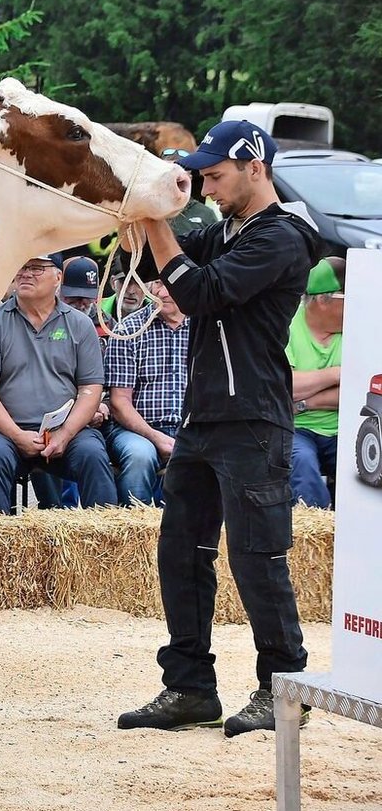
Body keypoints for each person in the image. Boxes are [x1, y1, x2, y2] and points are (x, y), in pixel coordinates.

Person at [119, 119, 323, 737]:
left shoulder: (284, 236)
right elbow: (166, 271)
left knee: (259, 558)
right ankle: (188, 687)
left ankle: (283, 689)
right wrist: (147, 212)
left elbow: (199, 292)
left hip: (254, 417)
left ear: (255, 167)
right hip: (204, 415)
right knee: (181, 552)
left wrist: (155, 220)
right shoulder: (230, 229)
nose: (206, 186)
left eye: (215, 175)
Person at [0, 252, 117, 514]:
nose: (25, 273)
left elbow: (91, 389)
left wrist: (66, 433)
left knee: (93, 455)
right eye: (22, 266)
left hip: (67, 430)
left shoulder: (80, 324)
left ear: (58, 277)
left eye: (36, 268)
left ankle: (105, 545)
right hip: (6, 431)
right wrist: (16, 434)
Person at [103, 279, 190, 506]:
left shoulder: (206, 329)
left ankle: (205, 535)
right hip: (137, 430)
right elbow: (120, 403)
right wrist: (155, 436)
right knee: (139, 456)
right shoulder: (128, 331)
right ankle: (135, 533)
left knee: (222, 453)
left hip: (193, 428)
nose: (160, 292)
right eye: (157, 284)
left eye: (169, 285)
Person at [286, 257, 346, 508]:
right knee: (301, 461)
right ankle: (318, 538)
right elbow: (285, 387)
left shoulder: (362, 326)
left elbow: (359, 390)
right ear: (323, 300)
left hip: (347, 428)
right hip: (294, 430)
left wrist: (305, 402)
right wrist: (337, 374)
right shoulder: (286, 324)